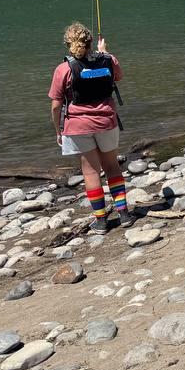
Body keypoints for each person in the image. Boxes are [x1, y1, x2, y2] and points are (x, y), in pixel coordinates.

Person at [49, 23, 133, 234]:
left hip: (78, 126)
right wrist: (105, 53)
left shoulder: (63, 69)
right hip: (106, 122)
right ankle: (124, 214)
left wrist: (58, 130)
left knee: (90, 172)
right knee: (112, 167)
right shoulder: (108, 60)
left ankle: (101, 221)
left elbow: (56, 105)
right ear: (90, 42)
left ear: (68, 44)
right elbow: (118, 76)